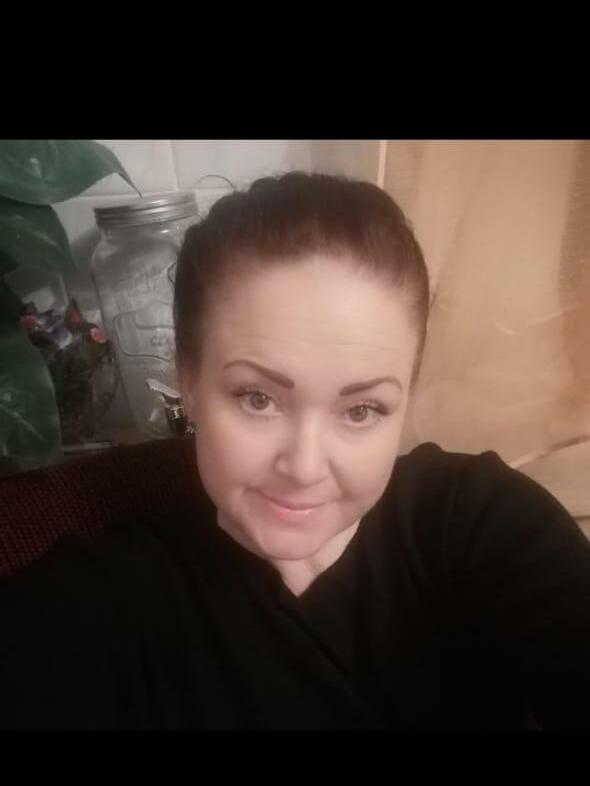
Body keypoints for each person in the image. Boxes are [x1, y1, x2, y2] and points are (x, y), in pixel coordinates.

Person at [1, 172, 589, 730]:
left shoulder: (477, 520)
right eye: (257, 398)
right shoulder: (101, 605)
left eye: (362, 410)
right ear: (188, 381)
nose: (305, 468)